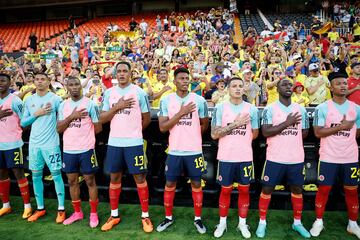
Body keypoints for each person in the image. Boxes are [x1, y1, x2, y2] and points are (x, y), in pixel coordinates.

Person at [99, 62, 152, 233]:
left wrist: (134, 132)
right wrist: (117, 107)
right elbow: (102, 118)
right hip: (114, 143)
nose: (121, 74)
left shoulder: (139, 92)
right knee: (114, 178)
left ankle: (145, 215)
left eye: (124, 71)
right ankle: (114, 215)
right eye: (119, 71)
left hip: (134, 143)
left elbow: (147, 119)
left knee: (140, 179)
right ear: (115, 74)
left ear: (130, 73)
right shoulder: (109, 93)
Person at [256, 78, 311, 238]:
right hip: (275, 157)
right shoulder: (270, 109)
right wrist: (287, 123)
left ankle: (297, 222)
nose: (288, 87)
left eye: (290, 85)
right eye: (284, 85)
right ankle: (262, 222)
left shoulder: (301, 109)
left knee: (297, 189)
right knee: (267, 189)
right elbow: (266, 132)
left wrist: (284, 129)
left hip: (296, 158)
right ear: (277, 89)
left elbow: (305, 132)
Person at [156, 67, 209, 234]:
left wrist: (192, 135)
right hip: (174, 151)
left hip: (194, 151)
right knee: (170, 183)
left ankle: (198, 219)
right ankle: (168, 217)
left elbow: (204, 124)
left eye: (187, 78)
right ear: (175, 81)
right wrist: (182, 112)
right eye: (182, 78)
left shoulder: (199, 100)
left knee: (196, 183)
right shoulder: (166, 100)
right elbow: (163, 127)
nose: (185, 81)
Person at [310, 72, 360, 238]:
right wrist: (341, 127)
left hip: (350, 157)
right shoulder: (322, 108)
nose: (343, 86)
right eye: (338, 83)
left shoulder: (356, 109)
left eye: (345, 83)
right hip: (328, 157)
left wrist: (344, 130)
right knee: (324, 189)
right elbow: (318, 133)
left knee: (352, 191)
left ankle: (352, 224)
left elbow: (357, 133)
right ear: (331, 87)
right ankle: (318, 221)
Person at [211, 77, 259, 238]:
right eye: (234, 86)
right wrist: (235, 125)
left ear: (244, 89)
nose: (237, 89)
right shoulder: (220, 108)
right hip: (226, 157)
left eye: (240, 86)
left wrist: (240, 142)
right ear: (228, 89)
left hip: (245, 157)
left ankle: (242, 224)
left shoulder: (251, 109)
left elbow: (255, 133)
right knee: (225, 191)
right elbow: (214, 134)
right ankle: (222, 223)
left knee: (244, 191)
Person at [57, 77, 102, 228]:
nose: (75, 87)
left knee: (90, 180)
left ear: (81, 86)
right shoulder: (63, 105)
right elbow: (59, 129)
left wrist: (87, 139)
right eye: (71, 85)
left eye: (77, 84)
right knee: (72, 181)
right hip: (69, 149)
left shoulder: (89, 104)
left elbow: (98, 128)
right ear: (67, 87)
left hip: (86, 149)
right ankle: (77, 212)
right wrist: (72, 117)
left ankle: (93, 214)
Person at [21, 72, 66, 223]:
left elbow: (62, 121)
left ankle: (61, 209)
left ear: (48, 82)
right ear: (34, 82)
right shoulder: (29, 100)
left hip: (51, 144)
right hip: (34, 145)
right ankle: (40, 208)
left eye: (43, 79)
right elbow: (23, 123)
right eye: (37, 79)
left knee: (56, 175)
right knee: (36, 176)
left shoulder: (56, 99)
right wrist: (37, 114)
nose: (40, 82)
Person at [0, 73, 32, 219]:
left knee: (18, 173)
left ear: (10, 82)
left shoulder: (16, 101)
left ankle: (27, 206)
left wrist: (17, 132)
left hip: (13, 143)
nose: (1, 83)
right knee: (2, 174)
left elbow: (25, 121)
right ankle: (6, 205)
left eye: (3, 80)